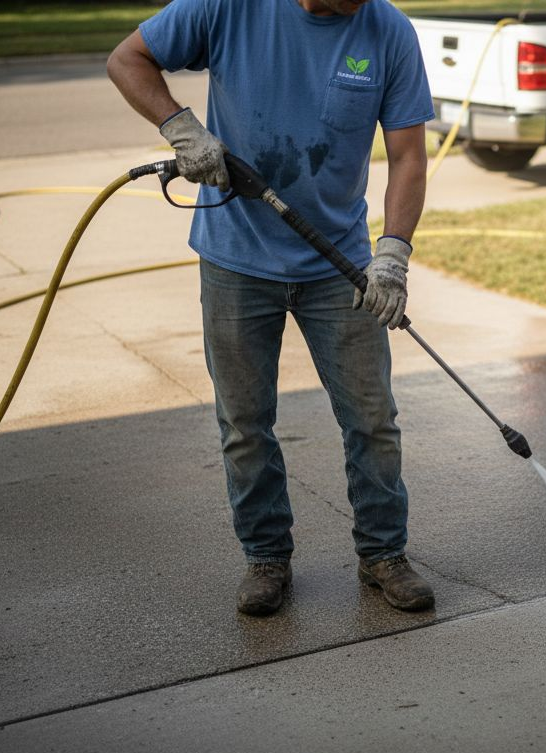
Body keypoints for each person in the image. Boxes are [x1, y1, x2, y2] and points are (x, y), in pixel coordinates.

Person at [107, 0, 435, 616]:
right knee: (244, 423)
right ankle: (266, 558)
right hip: (236, 260)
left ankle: (384, 554)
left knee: (372, 419)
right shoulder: (229, 6)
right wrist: (181, 127)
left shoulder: (387, 30)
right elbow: (128, 59)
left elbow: (409, 156)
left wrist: (393, 253)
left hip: (340, 266)